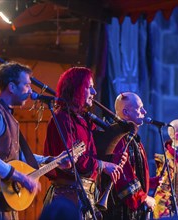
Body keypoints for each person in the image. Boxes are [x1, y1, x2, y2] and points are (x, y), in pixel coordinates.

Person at [0, 62, 71, 220]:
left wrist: (52, 160)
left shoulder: (8, 116)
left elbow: (17, 157)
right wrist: (21, 178)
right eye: (27, 85)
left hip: (2, 201)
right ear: (11, 87)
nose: (30, 91)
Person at [43, 67, 126, 219]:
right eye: (89, 87)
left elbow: (94, 155)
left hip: (85, 195)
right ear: (77, 88)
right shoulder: (62, 118)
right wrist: (102, 165)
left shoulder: (84, 120)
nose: (94, 92)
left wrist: (115, 156)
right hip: (68, 198)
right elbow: (71, 160)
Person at [102, 92, 160, 220]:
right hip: (120, 211)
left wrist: (155, 181)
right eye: (139, 108)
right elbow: (123, 176)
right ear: (126, 112)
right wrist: (143, 198)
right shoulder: (116, 137)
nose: (144, 111)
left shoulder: (132, 138)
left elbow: (134, 173)